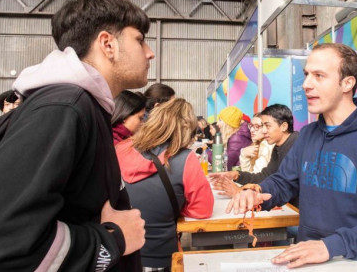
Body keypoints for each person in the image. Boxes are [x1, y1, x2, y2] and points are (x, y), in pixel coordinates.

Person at [0, 0, 154, 271]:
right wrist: (113, 240)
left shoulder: (82, 107)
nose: (149, 52)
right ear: (108, 44)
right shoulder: (64, 108)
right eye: (140, 40)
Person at [226, 43, 357, 269]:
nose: (306, 84)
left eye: (319, 76)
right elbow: (283, 181)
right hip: (309, 260)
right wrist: (258, 192)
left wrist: (330, 246)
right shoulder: (307, 135)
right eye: (306, 75)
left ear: (347, 83)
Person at [115, 98, 214, 270]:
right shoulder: (186, 159)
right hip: (161, 256)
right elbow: (202, 209)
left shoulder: (121, 148)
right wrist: (175, 205)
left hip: (119, 252)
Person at [210, 105, 296, 199]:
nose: (263, 131)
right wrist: (237, 175)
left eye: (267, 126)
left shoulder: (296, 147)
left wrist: (240, 191)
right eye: (262, 126)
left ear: (284, 126)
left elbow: (282, 186)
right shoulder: (277, 147)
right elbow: (264, 176)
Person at [217, 106, 252, 170]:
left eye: (220, 120)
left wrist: (207, 153)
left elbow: (225, 165)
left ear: (228, 123)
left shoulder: (236, 139)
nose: (217, 123)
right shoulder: (239, 135)